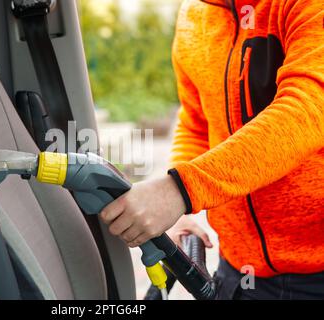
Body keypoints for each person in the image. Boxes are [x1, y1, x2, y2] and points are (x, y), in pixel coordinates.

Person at [100, 0, 324, 299]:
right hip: (238, 271)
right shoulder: (194, 17)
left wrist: (180, 190)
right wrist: (180, 207)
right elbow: (197, 122)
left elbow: (307, 110)